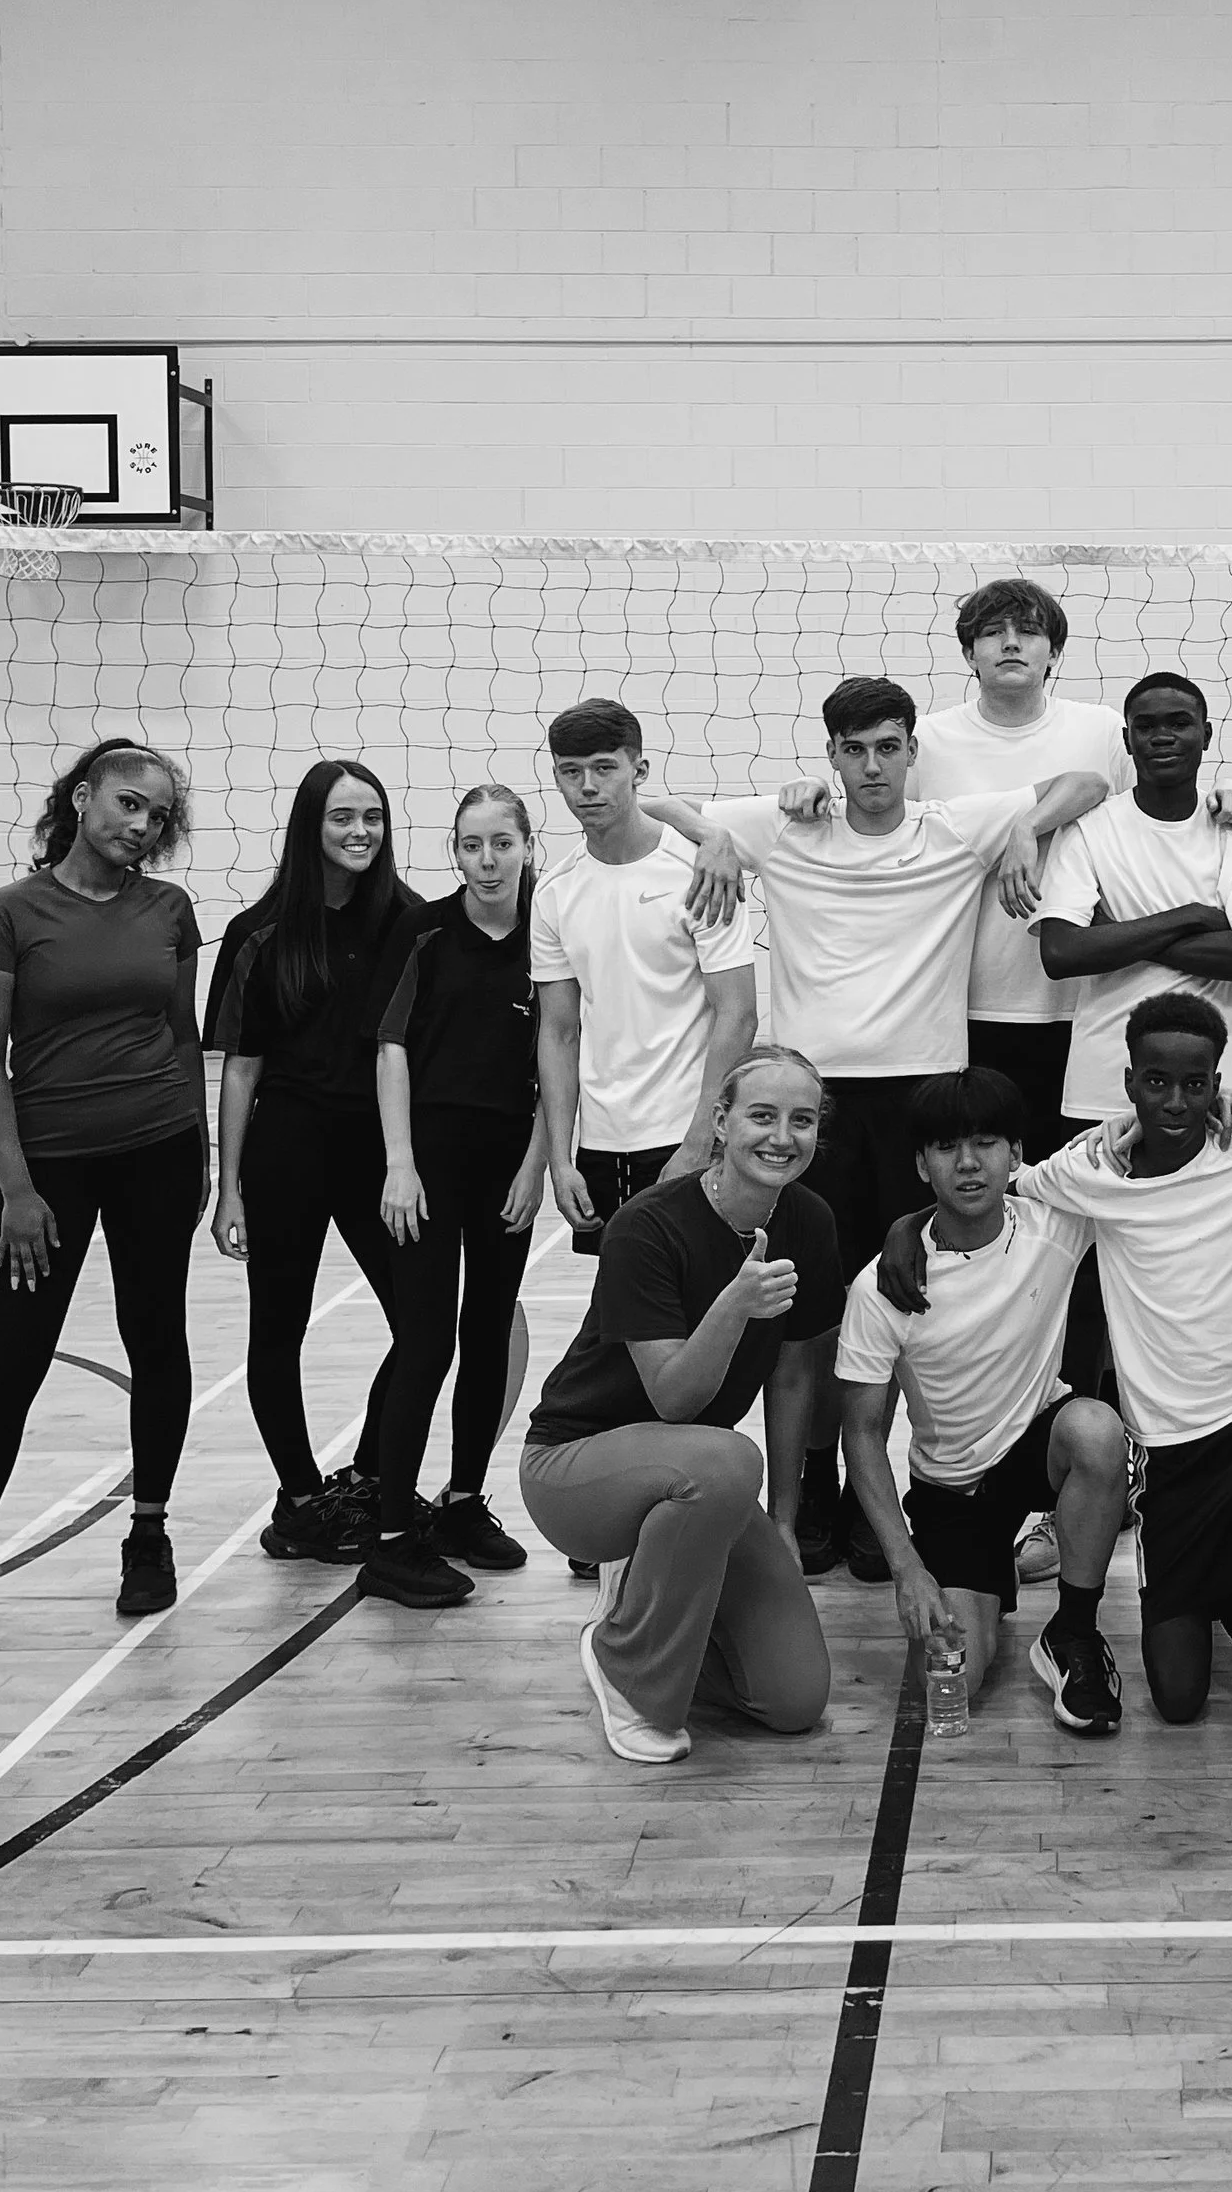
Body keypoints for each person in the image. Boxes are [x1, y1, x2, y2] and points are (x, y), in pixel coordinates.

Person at [662, 675, 1109, 1582]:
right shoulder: (785, 826)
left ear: (913, 752)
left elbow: (1090, 783)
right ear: (830, 755)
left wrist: (1025, 824)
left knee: (905, 1300)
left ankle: (890, 1500)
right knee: (814, 1319)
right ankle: (817, 1496)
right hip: (819, 1108)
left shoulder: (954, 826)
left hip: (918, 1102)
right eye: (853, 749)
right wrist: (713, 835)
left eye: (888, 747)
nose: (872, 765)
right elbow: (661, 801)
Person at [876, 992, 1232, 1727]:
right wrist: (907, 1223)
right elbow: (986, 1189)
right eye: (1157, 1081)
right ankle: (1209, 1592)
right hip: (1170, 1441)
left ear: (1220, 1082)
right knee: (1179, 1700)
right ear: (1128, 1082)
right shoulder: (1088, 1172)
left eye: (1197, 1082)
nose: (1177, 1099)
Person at [0, 742, 211, 1666]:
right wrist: (17, 1188)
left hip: (158, 1153)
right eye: (128, 804)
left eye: (158, 815)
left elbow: (182, 1033)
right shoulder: (8, 914)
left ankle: (149, 1533)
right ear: (81, 798)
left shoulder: (170, 909)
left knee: (156, 1339)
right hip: (48, 1171)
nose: (141, 825)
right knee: (9, 1366)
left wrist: (198, 1150)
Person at [519, 1049, 843, 1765]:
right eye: (762, 1115)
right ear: (721, 1121)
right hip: (575, 1468)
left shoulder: (810, 1220)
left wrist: (786, 1521)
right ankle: (626, 1666)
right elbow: (676, 1397)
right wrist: (733, 1302)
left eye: (802, 1119)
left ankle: (648, 1595)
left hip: (694, 1475)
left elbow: (793, 1379)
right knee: (729, 1457)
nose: (782, 1136)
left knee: (793, 1700)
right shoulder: (647, 1223)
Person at [835, 1067, 1130, 1735]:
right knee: (949, 1680)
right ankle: (985, 1583)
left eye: (987, 1142)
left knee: (1096, 1428)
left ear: (1017, 1153)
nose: (968, 1162)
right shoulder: (883, 1285)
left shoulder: (1054, 1222)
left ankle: (1073, 1632)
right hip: (952, 1491)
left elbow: (1132, 1137)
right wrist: (907, 1566)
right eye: (946, 1147)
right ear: (920, 1162)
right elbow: (862, 1435)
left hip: (1037, 1449)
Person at [1036, 667, 1232, 1440]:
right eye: (1149, 724)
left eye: (1181, 721)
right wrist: (1189, 914)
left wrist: (1128, 930)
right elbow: (1064, 950)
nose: (1165, 734)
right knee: (1089, 1276)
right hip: (1104, 1087)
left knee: (1213, 1270)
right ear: (1128, 738)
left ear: (1207, 736)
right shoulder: (1091, 830)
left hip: (1227, 1092)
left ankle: (1207, 1431)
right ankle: (1093, 1442)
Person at [208, 759, 423, 1565]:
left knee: (421, 1324)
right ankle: (300, 1497)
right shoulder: (258, 932)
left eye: (372, 815)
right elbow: (240, 1066)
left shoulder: (411, 921)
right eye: (342, 817)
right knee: (279, 1328)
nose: (360, 830)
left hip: (379, 1152)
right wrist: (227, 1187)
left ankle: (367, 1476)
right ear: (311, 826)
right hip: (288, 1149)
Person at [361, 784, 549, 1610]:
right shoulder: (425, 929)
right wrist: (399, 1163)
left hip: (510, 1158)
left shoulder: (550, 927)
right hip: (428, 1160)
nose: (486, 860)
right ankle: (391, 1537)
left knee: (488, 1332)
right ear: (455, 851)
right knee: (426, 1339)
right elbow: (391, 1046)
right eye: (471, 845)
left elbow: (562, 1054)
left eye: (500, 843)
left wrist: (539, 1162)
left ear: (526, 846)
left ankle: (464, 1502)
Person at [909, 577, 1129, 1159]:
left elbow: (1144, 824)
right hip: (961, 1002)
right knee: (983, 1178)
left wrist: (1026, 828)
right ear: (968, 654)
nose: (1011, 644)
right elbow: (886, 843)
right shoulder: (928, 740)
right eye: (993, 633)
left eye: (1028, 632)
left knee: (1076, 1176)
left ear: (1053, 653)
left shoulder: (1099, 729)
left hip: (1081, 1002)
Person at [532, 697, 758, 1255]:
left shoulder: (702, 871)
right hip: (600, 1146)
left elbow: (739, 1014)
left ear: (639, 770)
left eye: (604, 767)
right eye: (571, 771)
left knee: (704, 1303)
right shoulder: (554, 892)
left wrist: (701, 1139)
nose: (587, 786)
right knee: (623, 1312)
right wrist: (560, 1160)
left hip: (686, 1132)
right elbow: (560, 1032)